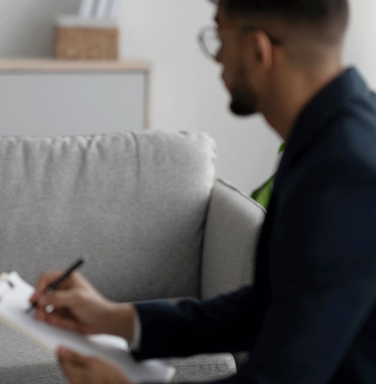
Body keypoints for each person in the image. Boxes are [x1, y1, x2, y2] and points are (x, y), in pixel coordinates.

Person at [30, 0, 376, 383]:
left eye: (219, 36)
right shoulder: (336, 135)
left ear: (258, 50)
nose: (218, 58)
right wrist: (115, 318)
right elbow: (271, 306)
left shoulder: (345, 169)